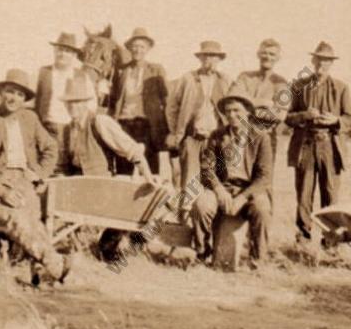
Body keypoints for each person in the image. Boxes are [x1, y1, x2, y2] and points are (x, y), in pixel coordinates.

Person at [0, 68, 66, 283]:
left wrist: (38, 174)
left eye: (20, 95)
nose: (14, 98)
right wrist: (2, 192)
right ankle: (55, 264)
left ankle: (39, 272)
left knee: (34, 223)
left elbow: (50, 148)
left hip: (23, 180)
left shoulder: (29, 118)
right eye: (10, 91)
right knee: (16, 219)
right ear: (1, 93)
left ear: (25, 99)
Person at [285, 41, 351, 249]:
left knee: (330, 194)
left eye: (327, 60)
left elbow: (350, 119)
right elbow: (287, 118)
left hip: (330, 146)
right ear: (313, 60)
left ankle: (330, 241)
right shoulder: (298, 86)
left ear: (331, 63)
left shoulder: (341, 88)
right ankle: (303, 240)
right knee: (304, 195)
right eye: (319, 59)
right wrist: (304, 115)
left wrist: (335, 121)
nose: (322, 64)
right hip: (305, 144)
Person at [191, 93, 272, 266]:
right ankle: (202, 253)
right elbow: (207, 168)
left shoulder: (261, 137)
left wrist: (243, 197)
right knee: (201, 205)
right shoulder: (217, 136)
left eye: (237, 110)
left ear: (248, 112)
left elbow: (264, 177)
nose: (232, 115)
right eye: (228, 111)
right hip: (222, 188)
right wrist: (219, 190)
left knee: (262, 208)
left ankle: (258, 260)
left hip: (248, 190)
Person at [165, 40, 231, 215]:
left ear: (219, 59)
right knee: (189, 182)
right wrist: (175, 131)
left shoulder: (225, 81)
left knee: (214, 180)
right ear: (200, 58)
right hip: (193, 137)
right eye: (206, 56)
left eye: (214, 57)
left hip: (216, 140)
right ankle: (184, 221)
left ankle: (209, 223)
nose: (210, 60)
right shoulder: (187, 79)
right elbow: (172, 107)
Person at [58, 74, 157, 184]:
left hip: (101, 184)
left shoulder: (99, 122)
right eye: (69, 103)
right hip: (76, 184)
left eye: (77, 102)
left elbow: (133, 150)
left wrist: (148, 177)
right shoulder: (67, 130)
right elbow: (63, 165)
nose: (72, 107)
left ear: (86, 103)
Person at [109, 28, 168, 176]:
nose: (138, 50)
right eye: (134, 46)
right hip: (124, 124)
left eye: (142, 47)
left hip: (147, 125)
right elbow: (114, 97)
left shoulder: (156, 70)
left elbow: (166, 99)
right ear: (129, 48)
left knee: (149, 167)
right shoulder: (122, 71)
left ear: (147, 49)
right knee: (124, 165)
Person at [34, 32, 88, 170]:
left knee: (74, 168)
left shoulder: (82, 75)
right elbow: (32, 99)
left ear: (74, 55)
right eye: (60, 50)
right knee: (50, 167)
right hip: (48, 128)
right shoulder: (43, 72)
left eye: (68, 51)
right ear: (55, 51)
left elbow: (91, 105)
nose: (63, 54)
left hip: (73, 130)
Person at [229, 38, 288, 160]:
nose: (267, 57)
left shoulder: (281, 83)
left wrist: (246, 107)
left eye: (272, 54)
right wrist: (266, 103)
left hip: (266, 136)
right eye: (264, 53)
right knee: (236, 176)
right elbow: (233, 100)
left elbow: (281, 115)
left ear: (278, 58)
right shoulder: (244, 77)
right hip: (240, 136)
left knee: (264, 176)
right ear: (258, 54)